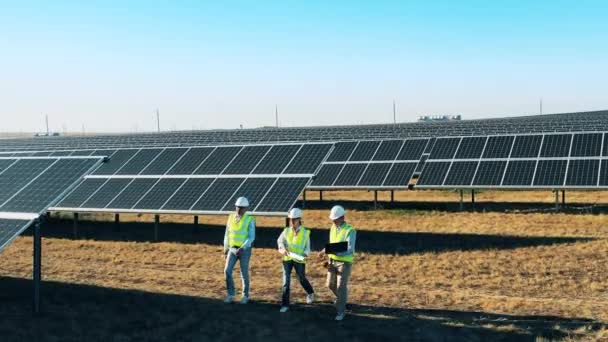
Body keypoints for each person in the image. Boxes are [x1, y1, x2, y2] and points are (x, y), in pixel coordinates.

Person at [277, 208, 315, 313]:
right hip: (287, 259)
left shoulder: (305, 233)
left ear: (299, 219)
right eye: (291, 219)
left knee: (301, 278)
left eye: (294, 219)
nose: (292, 221)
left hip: (299, 260)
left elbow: (307, 248)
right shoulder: (286, 231)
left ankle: (310, 293)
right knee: (286, 282)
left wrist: (305, 254)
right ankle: (285, 304)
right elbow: (280, 241)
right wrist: (282, 249)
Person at [323, 205, 356, 321]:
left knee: (340, 287)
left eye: (335, 218)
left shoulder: (350, 231)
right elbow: (333, 244)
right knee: (330, 285)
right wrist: (326, 250)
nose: (333, 220)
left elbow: (349, 248)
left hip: (344, 263)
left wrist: (334, 251)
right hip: (332, 261)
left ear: (342, 217)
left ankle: (341, 311)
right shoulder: (332, 227)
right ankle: (342, 299)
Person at [223, 196, 255, 304]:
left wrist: (243, 248)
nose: (239, 209)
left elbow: (251, 237)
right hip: (232, 249)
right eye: (238, 207)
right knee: (227, 271)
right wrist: (225, 248)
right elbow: (227, 234)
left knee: (244, 272)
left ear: (245, 208)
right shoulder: (231, 217)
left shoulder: (249, 219)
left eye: (242, 207)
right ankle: (231, 294)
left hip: (244, 250)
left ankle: (245, 296)